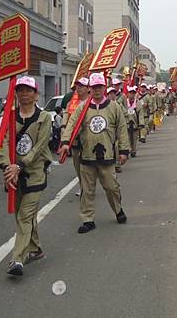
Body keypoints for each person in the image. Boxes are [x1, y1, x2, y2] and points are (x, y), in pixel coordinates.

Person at [59, 72, 130, 234]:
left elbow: (122, 129)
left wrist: (124, 150)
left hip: (107, 156)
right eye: (94, 87)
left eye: (99, 87)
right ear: (90, 88)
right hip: (87, 155)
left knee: (111, 187)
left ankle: (118, 210)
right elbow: (72, 124)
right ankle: (87, 219)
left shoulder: (114, 107)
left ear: (104, 88)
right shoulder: (82, 107)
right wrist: (65, 142)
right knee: (87, 189)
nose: (96, 90)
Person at [0, 76, 53, 276]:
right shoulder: (10, 116)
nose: (24, 94)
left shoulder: (44, 117)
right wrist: (6, 166)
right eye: (20, 90)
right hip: (13, 174)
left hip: (34, 173)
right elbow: (2, 142)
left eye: (28, 90)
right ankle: (36, 248)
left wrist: (19, 165)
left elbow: (39, 146)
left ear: (36, 94)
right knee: (25, 216)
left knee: (24, 216)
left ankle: (17, 259)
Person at [62, 77, 90, 197]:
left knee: (87, 165)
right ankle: (82, 186)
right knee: (77, 164)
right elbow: (66, 117)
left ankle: (87, 186)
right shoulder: (71, 103)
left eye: (82, 86)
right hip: (74, 139)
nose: (79, 88)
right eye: (77, 86)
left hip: (87, 138)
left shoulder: (91, 103)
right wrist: (63, 131)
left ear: (88, 88)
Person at [125, 86, 143, 157]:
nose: (132, 95)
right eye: (130, 93)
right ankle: (129, 149)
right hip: (126, 123)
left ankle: (133, 150)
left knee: (134, 139)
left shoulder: (137, 103)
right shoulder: (125, 102)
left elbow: (140, 113)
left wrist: (141, 123)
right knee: (127, 138)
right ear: (127, 94)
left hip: (135, 123)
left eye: (133, 93)